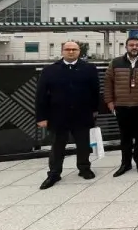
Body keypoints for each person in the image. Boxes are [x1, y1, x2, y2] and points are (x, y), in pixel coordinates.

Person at [35, 41, 100, 190]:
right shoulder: (50, 70)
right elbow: (41, 96)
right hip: (57, 115)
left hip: (82, 114)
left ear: (79, 51)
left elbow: (95, 91)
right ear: (62, 51)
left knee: (83, 145)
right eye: (68, 49)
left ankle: (84, 168)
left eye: (74, 49)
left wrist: (95, 110)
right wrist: (41, 117)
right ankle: (54, 173)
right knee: (57, 146)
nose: (71, 52)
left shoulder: (89, 69)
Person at [103, 36, 138, 177]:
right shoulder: (115, 62)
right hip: (121, 105)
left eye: (137, 45)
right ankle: (125, 163)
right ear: (126, 46)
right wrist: (109, 102)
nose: (134, 47)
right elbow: (108, 83)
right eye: (131, 45)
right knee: (125, 136)